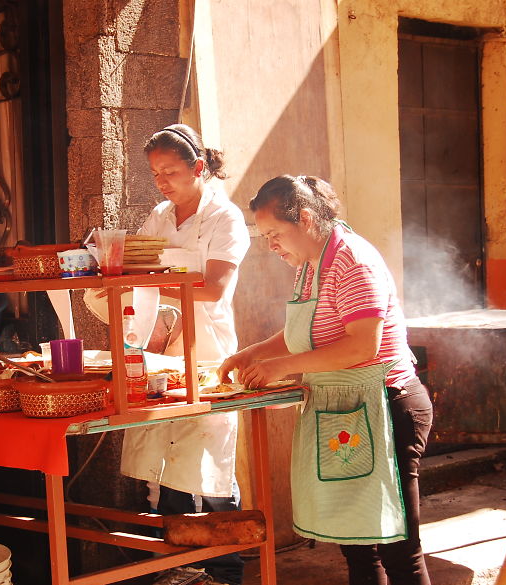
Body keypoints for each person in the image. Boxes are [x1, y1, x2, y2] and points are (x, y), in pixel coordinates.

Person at [219, 175, 433, 585]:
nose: (271, 245)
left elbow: (362, 347)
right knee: (357, 545)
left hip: (386, 408)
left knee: (398, 549)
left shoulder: (352, 259)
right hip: (347, 413)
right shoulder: (311, 263)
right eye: (264, 237)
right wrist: (254, 353)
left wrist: (283, 367)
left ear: (304, 219)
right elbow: (310, 328)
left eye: (275, 233)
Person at [106, 124, 250, 585]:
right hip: (160, 354)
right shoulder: (160, 217)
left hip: (207, 356)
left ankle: (226, 575)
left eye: (171, 171)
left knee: (210, 474)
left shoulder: (224, 219)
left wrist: (147, 282)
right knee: (165, 473)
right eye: (156, 173)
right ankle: (178, 574)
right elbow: (135, 264)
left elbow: (212, 288)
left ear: (199, 168)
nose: (163, 181)